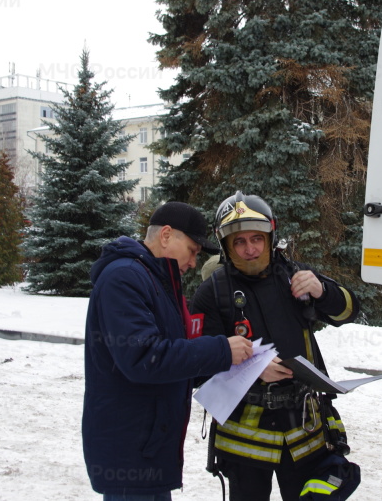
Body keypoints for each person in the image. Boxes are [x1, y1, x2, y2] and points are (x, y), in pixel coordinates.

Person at [191, 191, 360, 501]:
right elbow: (197, 368)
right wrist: (252, 370)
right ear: (226, 246)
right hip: (243, 439)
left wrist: (323, 291)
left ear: (270, 236)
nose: (250, 249)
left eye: (257, 239)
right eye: (239, 242)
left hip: (303, 431)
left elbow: (349, 311)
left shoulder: (295, 275)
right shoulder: (211, 294)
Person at [82, 201, 254, 500]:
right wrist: (221, 351)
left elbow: (173, 354)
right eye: (191, 251)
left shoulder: (153, 280)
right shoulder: (124, 278)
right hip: (130, 450)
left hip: (148, 447)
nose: (192, 263)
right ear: (165, 235)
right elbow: (144, 357)